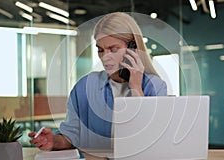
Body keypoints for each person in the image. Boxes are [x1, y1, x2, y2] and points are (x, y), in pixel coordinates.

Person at [29, 12, 167, 151]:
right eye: (100, 50)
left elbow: (151, 139)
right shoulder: (84, 87)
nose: (105, 57)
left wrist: (135, 87)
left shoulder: (155, 87)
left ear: (133, 49)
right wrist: (53, 141)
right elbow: (71, 135)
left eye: (113, 49)